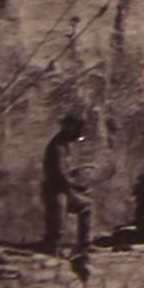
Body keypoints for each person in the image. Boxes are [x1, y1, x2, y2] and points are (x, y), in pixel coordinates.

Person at [40, 109, 94, 276]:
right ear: (69, 127)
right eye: (77, 129)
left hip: (64, 189)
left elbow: (66, 171)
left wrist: (77, 172)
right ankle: (53, 248)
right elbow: (58, 175)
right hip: (55, 190)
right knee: (58, 220)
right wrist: (76, 186)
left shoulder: (66, 145)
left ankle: (84, 246)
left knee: (86, 207)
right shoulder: (56, 147)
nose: (79, 134)